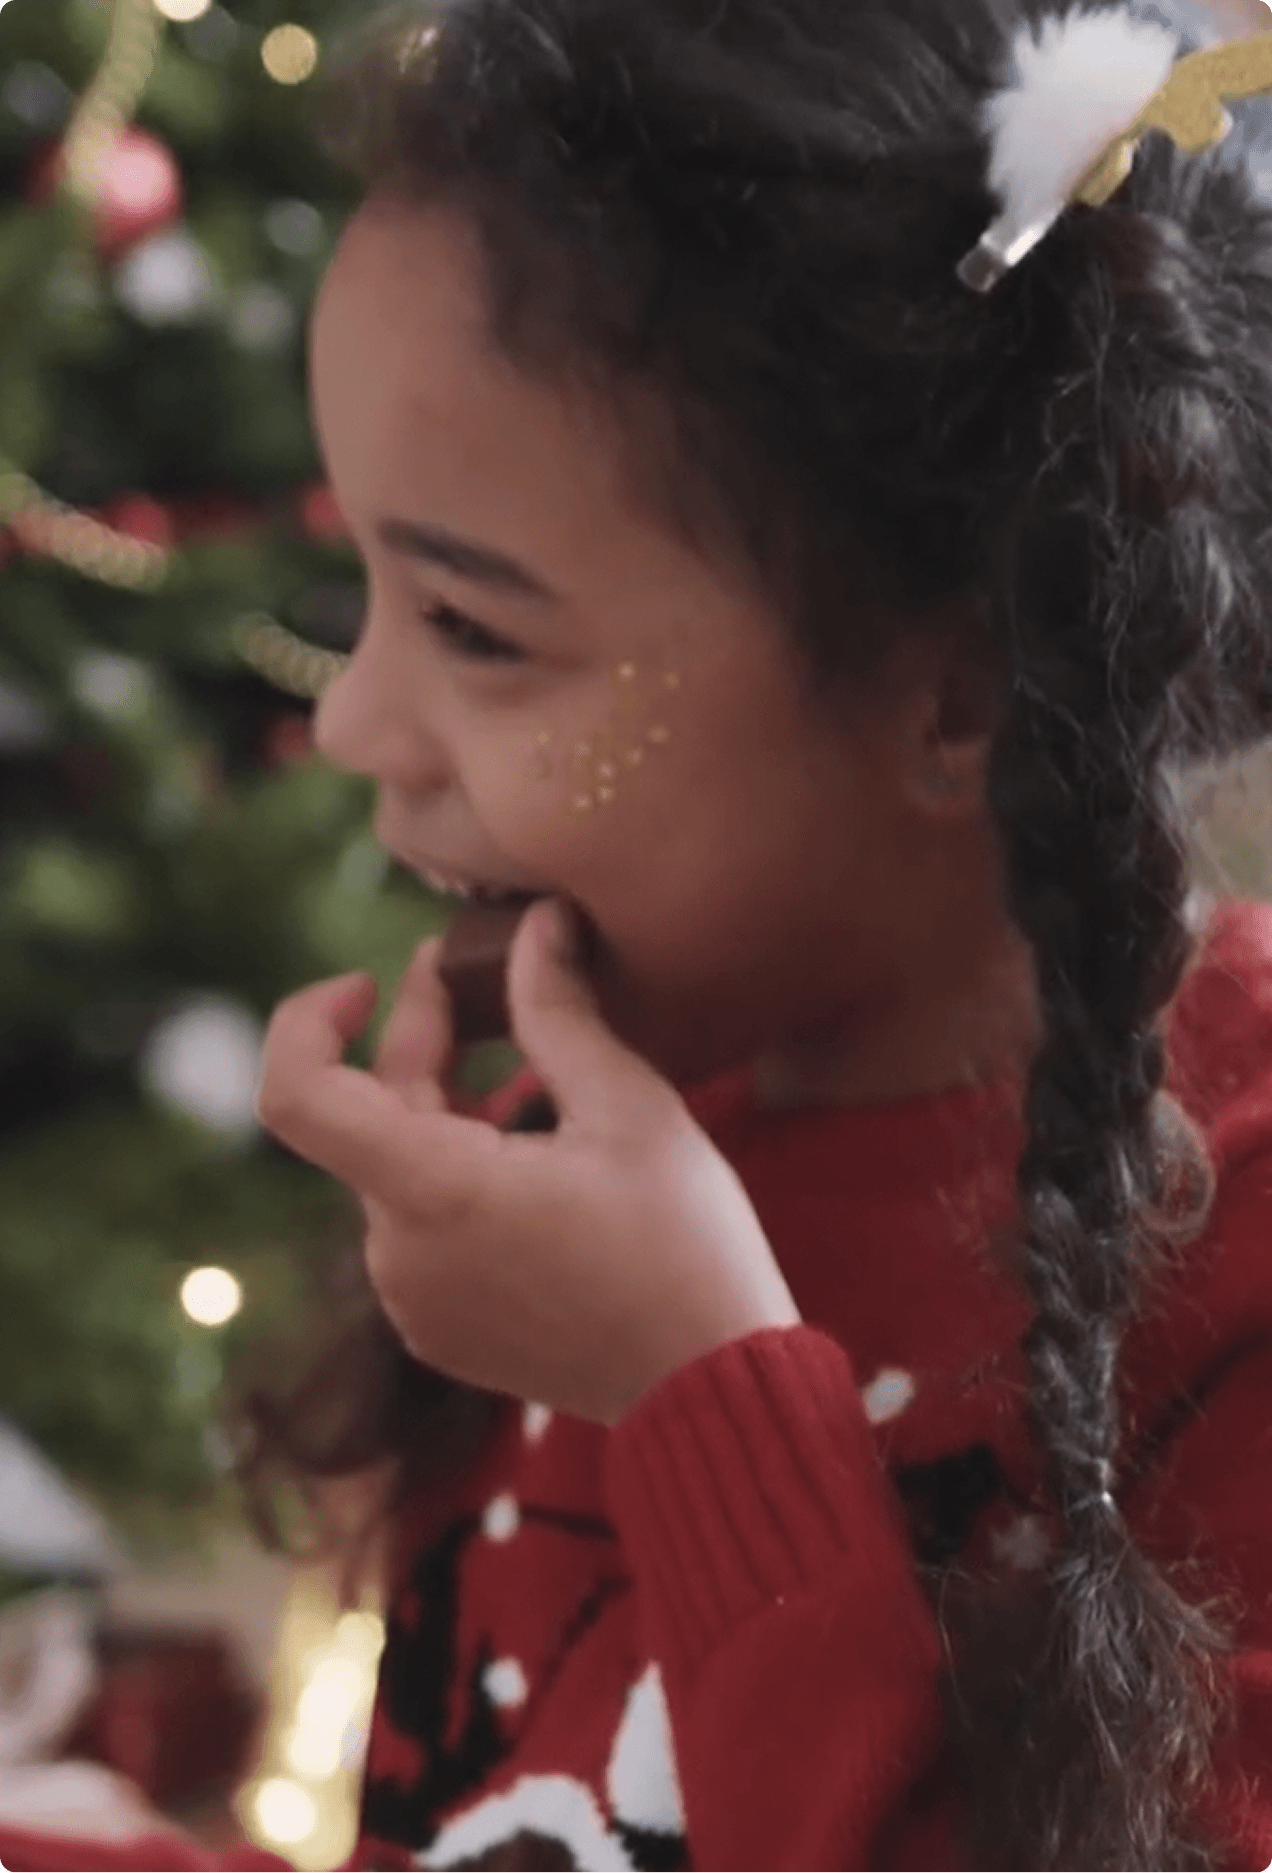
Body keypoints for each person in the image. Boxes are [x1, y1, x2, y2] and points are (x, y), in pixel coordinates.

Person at [6, 0, 1272, 1868]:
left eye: (473, 626)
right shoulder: (585, 1147)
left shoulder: (1234, 1243)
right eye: (366, 590)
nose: (349, 722)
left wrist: (697, 1400)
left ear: (963, 690)